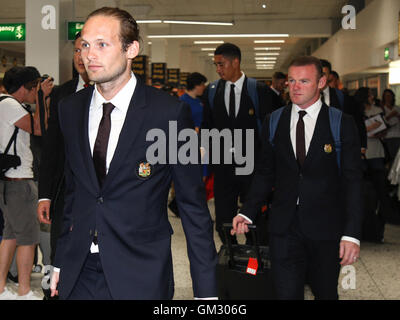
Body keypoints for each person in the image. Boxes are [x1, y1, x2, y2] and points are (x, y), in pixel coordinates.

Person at [49, 7, 217, 300]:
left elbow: (192, 206)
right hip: (79, 271)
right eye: (85, 45)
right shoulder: (70, 109)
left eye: (102, 44)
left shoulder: (169, 113)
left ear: (132, 49)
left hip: (141, 270)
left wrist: (207, 292)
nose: (89, 55)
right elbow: (75, 192)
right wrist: (61, 260)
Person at [232, 56, 363, 300]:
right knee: (286, 294)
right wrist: (247, 211)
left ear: (321, 82)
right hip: (284, 228)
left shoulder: (340, 123)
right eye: (291, 80)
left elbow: (353, 182)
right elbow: (265, 172)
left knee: (325, 293)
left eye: (304, 81)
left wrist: (351, 233)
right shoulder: (274, 120)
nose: (295, 86)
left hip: (326, 229)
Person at [202, 42, 274, 244]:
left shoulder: (258, 91)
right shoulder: (212, 91)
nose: (218, 69)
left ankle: (256, 255)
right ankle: (230, 252)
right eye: (216, 64)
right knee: (224, 214)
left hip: (252, 163)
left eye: (221, 64)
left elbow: (270, 129)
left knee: (254, 212)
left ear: (236, 62)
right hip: (223, 164)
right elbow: (207, 126)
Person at [37, 31, 90, 265]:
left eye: (86, 49)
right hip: (65, 190)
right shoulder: (63, 93)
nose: (80, 56)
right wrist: (45, 195)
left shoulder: (114, 92)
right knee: (61, 251)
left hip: (102, 192)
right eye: (77, 50)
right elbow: (52, 146)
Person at [0, 66, 53, 300]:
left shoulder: (3, 103)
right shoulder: (10, 105)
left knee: (11, 236)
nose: (34, 93)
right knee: (28, 238)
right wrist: (42, 98)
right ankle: (23, 291)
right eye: (34, 88)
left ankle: (1, 287)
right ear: (25, 87)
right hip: (19, 182)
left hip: (9, 182)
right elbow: (39, 128)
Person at [381, 89, 400, 164]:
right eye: (386, 96)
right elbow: (381, 122)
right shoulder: (382, 109)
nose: (388, 98)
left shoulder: (397, 108)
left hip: (398, 134)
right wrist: (390, 116)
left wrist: (397, 115)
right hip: (388, 136)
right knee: (391, 157)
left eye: (390, 96)